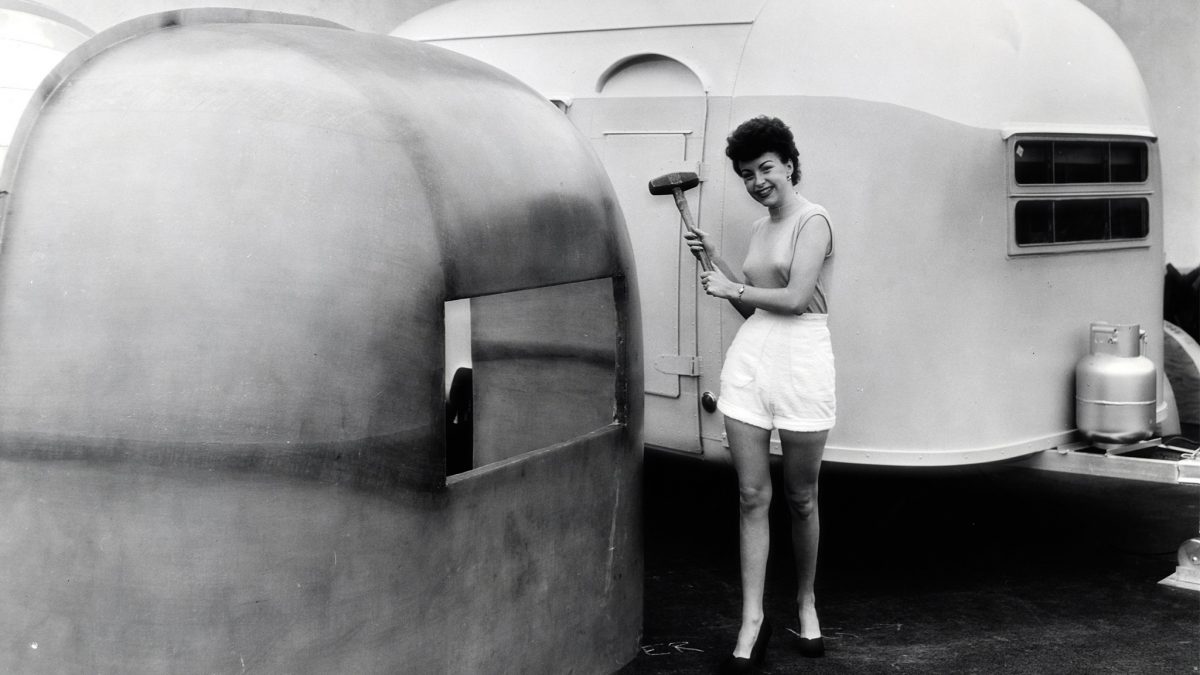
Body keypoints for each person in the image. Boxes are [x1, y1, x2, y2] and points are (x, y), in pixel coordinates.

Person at [684, 115, 835, 673]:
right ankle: (752, 619)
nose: (757, 181)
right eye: (746, 173)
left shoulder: (814, 220)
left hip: (803, 360)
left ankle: (806, 602)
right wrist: (715, 260)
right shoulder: (758, 227)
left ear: (789, 165)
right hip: (752, 360)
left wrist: (732, 284)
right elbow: (751, 305)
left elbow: (794, 299)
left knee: (801, 497)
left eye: (765, 168)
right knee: (751, 496)